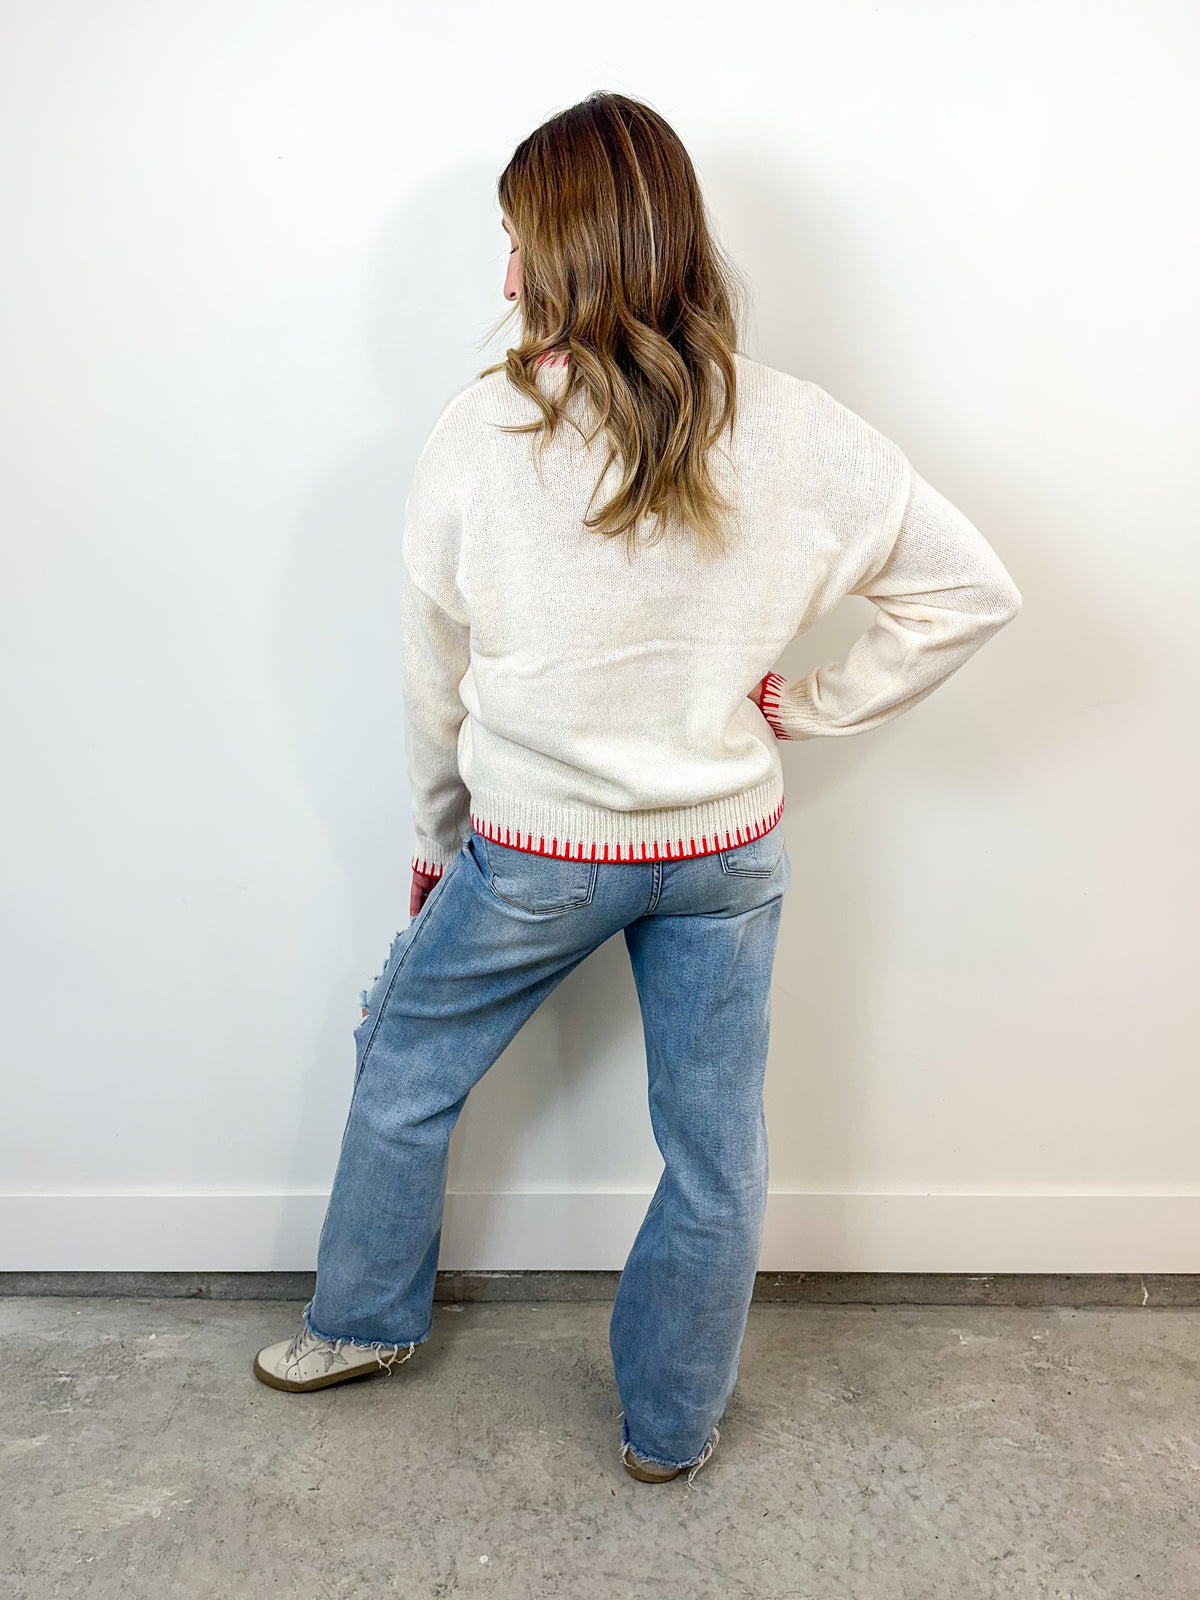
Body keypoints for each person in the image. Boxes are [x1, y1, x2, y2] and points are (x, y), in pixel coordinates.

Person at [252, 91, 1022, 1485]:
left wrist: (436, 848)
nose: (500, 278)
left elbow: (432, 679)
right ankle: (669, 1428)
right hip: (726, 850)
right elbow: (974, 590)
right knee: (715, 1153)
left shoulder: (480, 435)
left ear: (567, 252)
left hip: (535, 853)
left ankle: (360, 1323)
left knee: (405, 1065)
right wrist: (805, 705)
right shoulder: (793, 425)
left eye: (514, 242)